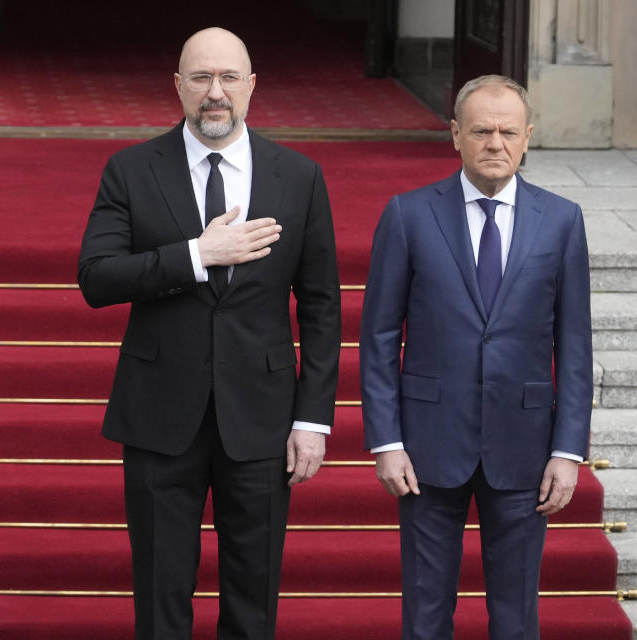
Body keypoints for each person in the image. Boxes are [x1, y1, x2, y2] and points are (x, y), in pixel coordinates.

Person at [78, 27, 341, 639]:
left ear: (251, 87)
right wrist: (198, 253)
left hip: (264, 418)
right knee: (160, 594)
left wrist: (313, 419)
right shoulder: (131, 169)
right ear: (178, 87)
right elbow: (96, 277)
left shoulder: (299, 175)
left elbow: (322, 306)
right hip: (159, 414)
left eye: (228, 79)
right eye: (200, 78)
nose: (214, 93)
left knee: (253, 598)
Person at [360, 74, 592, 639]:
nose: (496, 143)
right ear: (455, 136)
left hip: (525, 449)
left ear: (528, 137)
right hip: (427, 447)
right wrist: (387, 442)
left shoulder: (562, 221)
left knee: (515, 617)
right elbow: (379, 336)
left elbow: (577, 344)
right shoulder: (408, 214)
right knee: (425, 613)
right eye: (482, 131)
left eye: (508, 131)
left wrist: (568, 450)